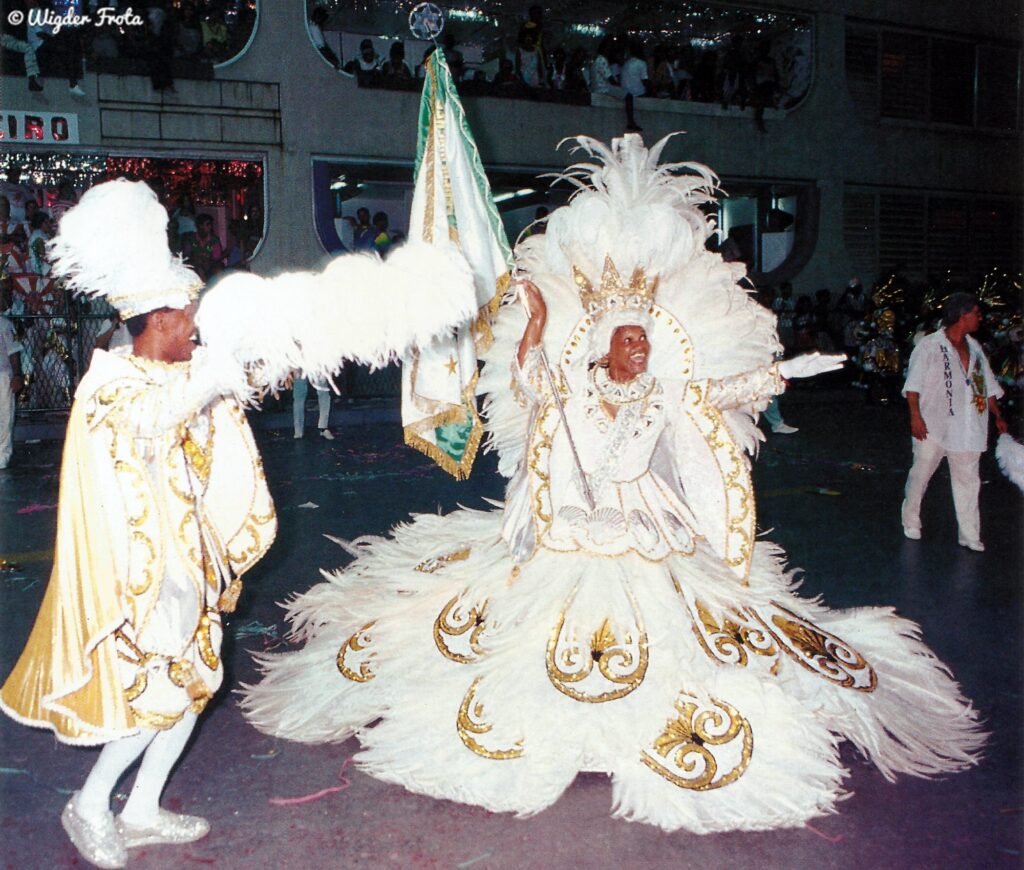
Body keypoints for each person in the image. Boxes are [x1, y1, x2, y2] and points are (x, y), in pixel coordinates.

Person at [241, 135, 982, 834]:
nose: (641, 347)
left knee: (683, 618)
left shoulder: (661, 392)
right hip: (573, 514)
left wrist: (787, 371)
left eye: (646, 340)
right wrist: (532, 320)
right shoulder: (571, 385)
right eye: (631, 339)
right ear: (605, 345)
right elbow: (530, 382)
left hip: (643, 517)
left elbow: (717, 391)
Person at [0, 179, 276, 869]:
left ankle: (144, 806)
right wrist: (207, 385)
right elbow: (150, 428)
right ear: (157, 321)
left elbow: (206, 442)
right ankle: (90, 806)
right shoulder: (110, 385)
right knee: (155, 692)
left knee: (194, 685)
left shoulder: (166, 376)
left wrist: (234, 385)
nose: (195, 329)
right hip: (136, 572)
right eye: (188, 318)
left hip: (186, 560)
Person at [901, 292, 1007, 551]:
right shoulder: (928, 346)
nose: (980, 318)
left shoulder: (976, 348)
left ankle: (969, 534)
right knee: (920, 474)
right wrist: (915, 417)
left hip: (969, 427)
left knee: (969, 481)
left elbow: (988, 386)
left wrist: (998, 415)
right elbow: (912, 387)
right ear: (963, 315)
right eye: (977, 314)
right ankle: (911, 519)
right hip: (932, 425)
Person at [0, 289, 25, 469]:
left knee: (5, 416)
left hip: (2, 376)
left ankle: (2, 457)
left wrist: (17, 375)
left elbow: (13, 351)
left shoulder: (4, 324)